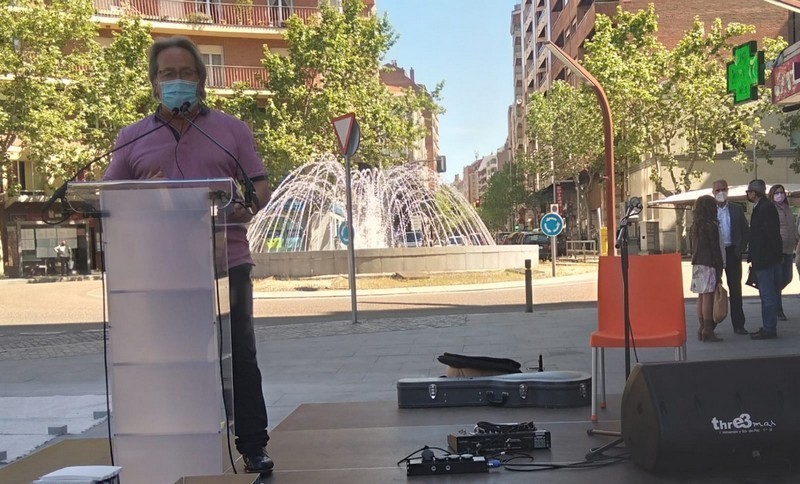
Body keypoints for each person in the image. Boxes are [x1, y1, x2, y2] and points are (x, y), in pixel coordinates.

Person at [103, 36, 273, 474]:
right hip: (160, 270)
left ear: (200, 78)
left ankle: (253, 445)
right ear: (154, 83)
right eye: (167, 74)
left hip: (224, 260)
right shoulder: (130, 139)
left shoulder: (230, 129)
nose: (177, 81)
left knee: (240, 355)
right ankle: (175, 441)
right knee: (172, 357)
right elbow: (107, 199)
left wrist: (244, 204)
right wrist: (142, 192)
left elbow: (260, 186)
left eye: (185, 73)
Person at [745, 179, 783, 340]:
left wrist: (756, 255)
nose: (748, 194)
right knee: (768, 293)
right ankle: (769, 325)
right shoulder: (766, 207)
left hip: (765, 259)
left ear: (754, 192)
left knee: (767, 294)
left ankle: (769, 328)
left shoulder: (763, 209)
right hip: (769, 257)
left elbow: (766, 235)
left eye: (749, 192)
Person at [712, 179, 749, 335]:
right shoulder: (710, 211)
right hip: (716, 254)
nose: (721, 192)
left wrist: (740, 248)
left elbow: (745, 230)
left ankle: (739, 325)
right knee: (713, 290)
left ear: (728, 190)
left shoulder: (737, 209)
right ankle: (710, 326)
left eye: (723, 189)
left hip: (732, 252)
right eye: (717, 190)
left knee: (735, 289)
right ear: (713, 193)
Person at [689, 195, 724, 342]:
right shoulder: (712, 226)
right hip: (709, 264)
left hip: (697, 263)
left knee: (701, 297)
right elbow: (715, 249)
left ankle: (701, 327)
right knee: (709, 297)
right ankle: (708, 330)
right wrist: (720, 267)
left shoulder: (694, 226)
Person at [767, 184, 797, 321]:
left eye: (781, 192)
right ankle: (778, 309)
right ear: (772, 195)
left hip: (789, 249)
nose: (780, 195)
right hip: (777, 250)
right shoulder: (771, 209)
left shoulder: (787, 209)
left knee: (788, 277)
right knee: (778, 279)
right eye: (777, 192)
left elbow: (793, 226)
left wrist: (796, 239)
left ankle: (773, 295)